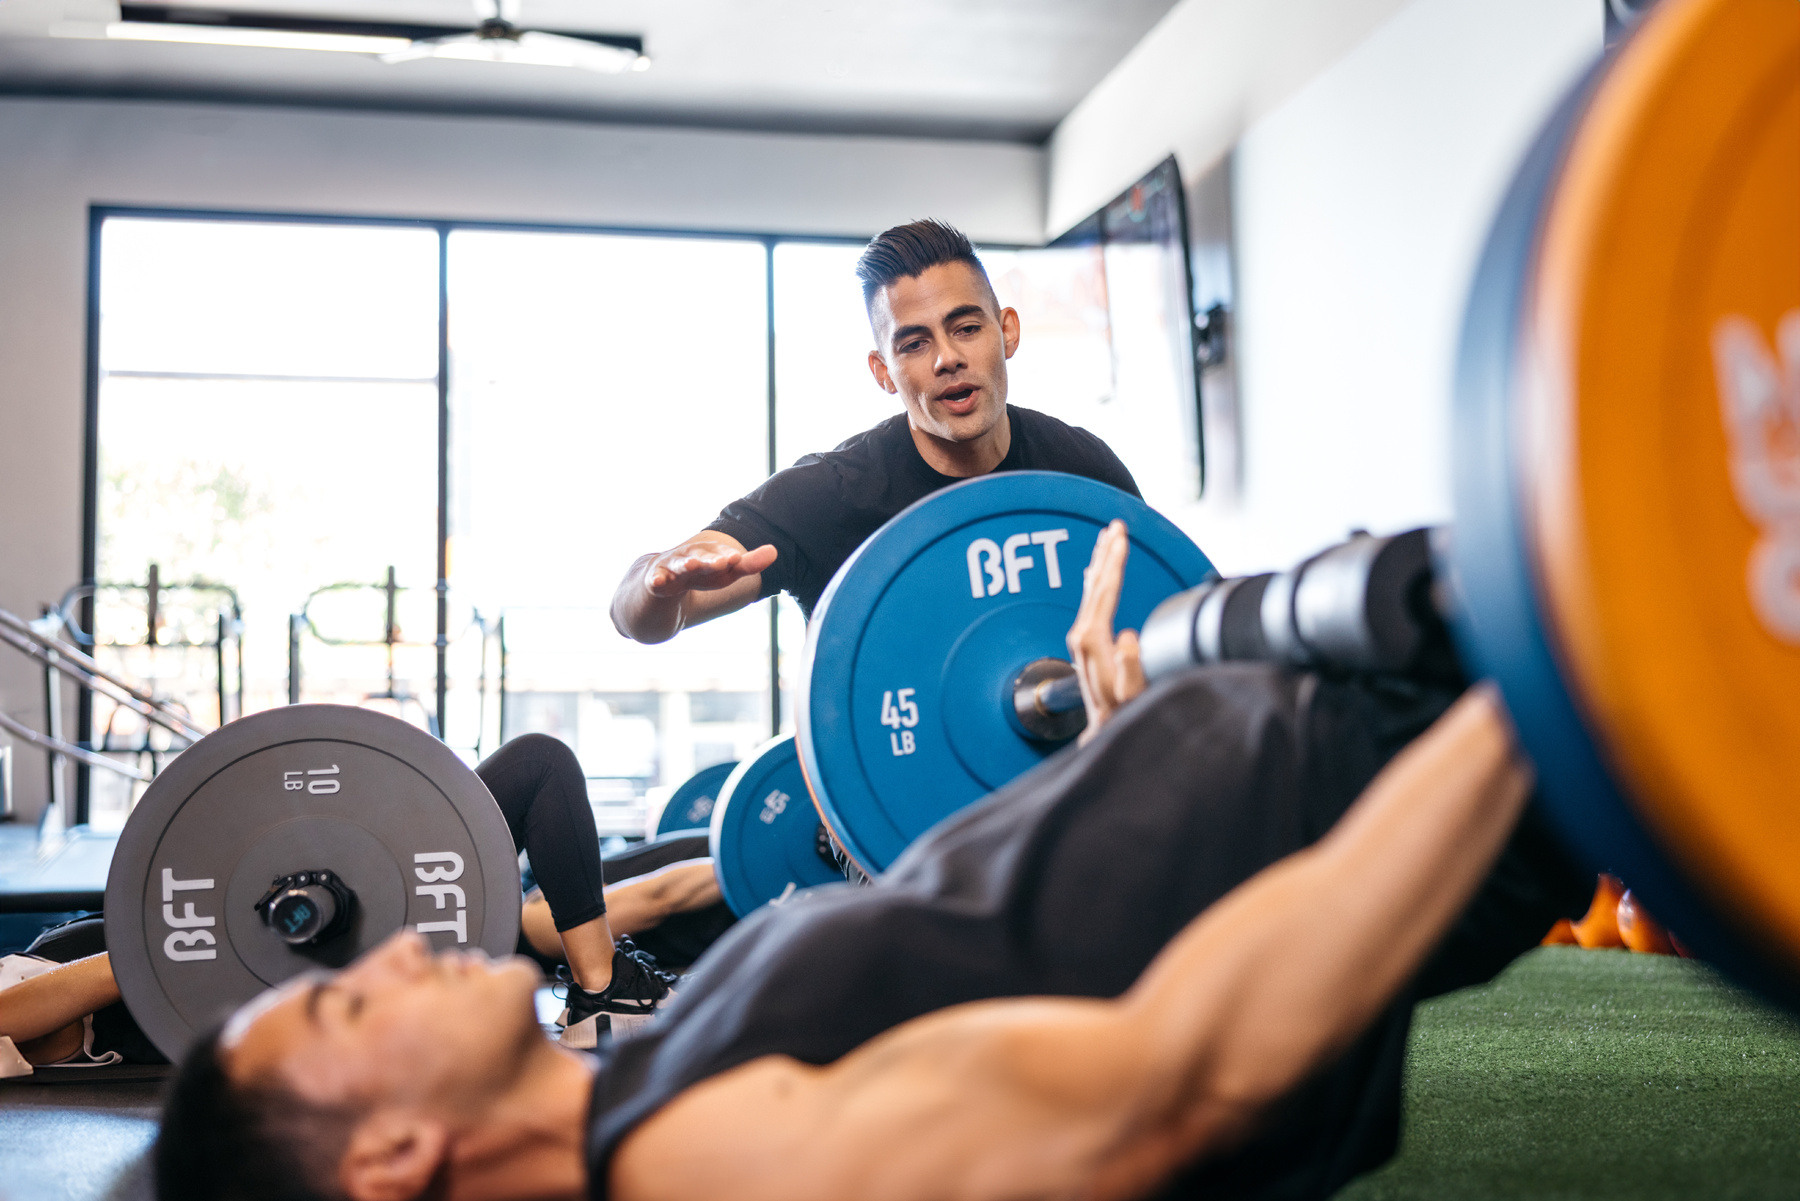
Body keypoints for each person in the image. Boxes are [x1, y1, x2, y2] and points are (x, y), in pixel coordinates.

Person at [153, 529, 1589, 1201]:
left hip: (1331, 715)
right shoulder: (714, 1168)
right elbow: (1181, 1073)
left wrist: (1116, 747)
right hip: (1408, 756)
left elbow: (990, 922)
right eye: (344, 1006)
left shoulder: (638, 1094)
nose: (391, 952)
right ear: (391, 1158)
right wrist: (1532, 682)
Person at [0, 734, 723, 1069]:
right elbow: (13, 1022)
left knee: (540, 765)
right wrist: (156, 952)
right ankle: (601, 994)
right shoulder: (117, 995)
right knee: (539, 766)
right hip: (321, 980)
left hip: (321, 914)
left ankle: (602, 992)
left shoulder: (45, 961)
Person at [611, 218, 1141, 639]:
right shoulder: (829, 497)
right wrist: (657, 585)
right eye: (914, 344)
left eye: (966, 328)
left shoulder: (1081, 469)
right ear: (883, 371)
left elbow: (1158, 605)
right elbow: (638, 618)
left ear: (1007, 332)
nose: (948, 359)